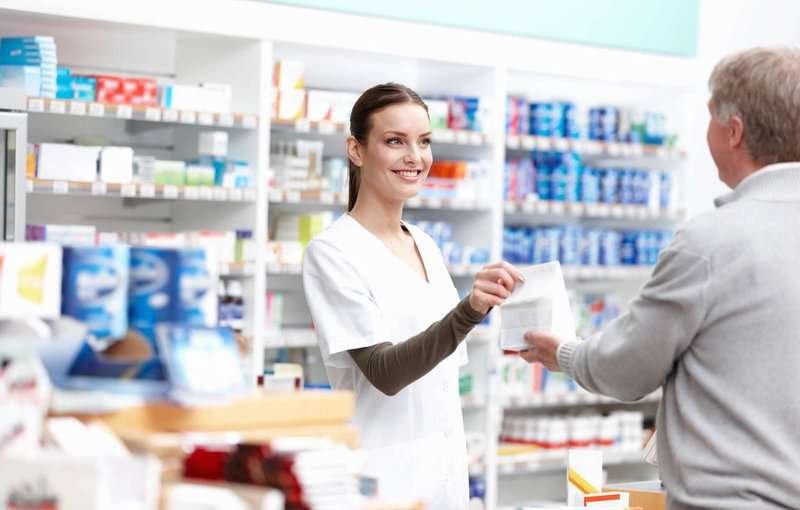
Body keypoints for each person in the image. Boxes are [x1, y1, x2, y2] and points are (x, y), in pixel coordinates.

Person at [520, 46, 800, 509]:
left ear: (734, 132)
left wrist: (565, 353)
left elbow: (626, 370)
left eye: (709, 119)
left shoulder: (712, 242)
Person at [303, 83, 523, 509]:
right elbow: (385, 372)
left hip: (446, 479)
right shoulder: (333, 251)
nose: (414, 157)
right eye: (394, 141)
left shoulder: (424, 243)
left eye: (424, 142)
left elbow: (439, 373)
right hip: (384, 482)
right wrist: (470, 309)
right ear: (356, 150)